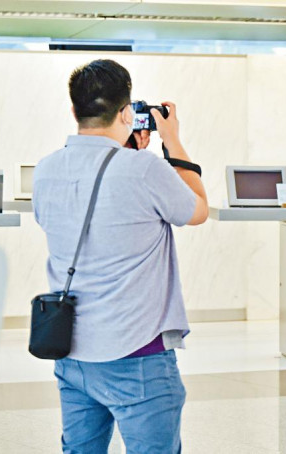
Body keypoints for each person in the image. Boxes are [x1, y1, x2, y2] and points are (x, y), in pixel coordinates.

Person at [32, 59, 208, 453]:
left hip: (72, 351)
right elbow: (196, 210)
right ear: (127, 113)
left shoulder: (46, 171)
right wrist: (173, 141)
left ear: (75, 110)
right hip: (137, 353)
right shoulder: (144, 169)